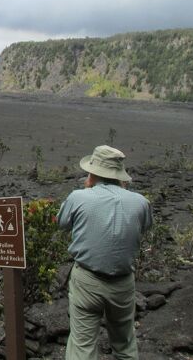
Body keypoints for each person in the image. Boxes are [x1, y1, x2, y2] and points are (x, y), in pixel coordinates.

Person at [57, 145, 152, 360]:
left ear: (93, 172)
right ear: (119, 175)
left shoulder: (78, 197)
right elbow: (144, 227)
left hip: (87, 280)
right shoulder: (140, 202)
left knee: (82, 345)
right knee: (125, 343)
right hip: (123, 283)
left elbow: (62, 223)